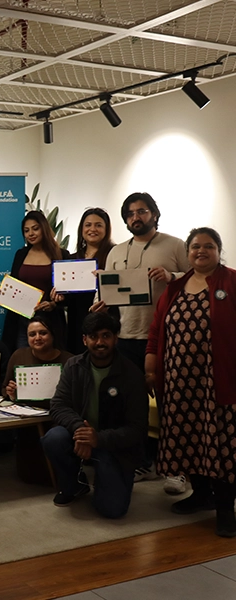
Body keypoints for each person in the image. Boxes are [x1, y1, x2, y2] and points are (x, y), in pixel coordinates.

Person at [93, 193, 188, 488]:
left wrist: (171, 275)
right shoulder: (116, 251)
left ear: (154, 214)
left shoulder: (175, 245)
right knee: (132, 407)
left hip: (166, 338)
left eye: (142, 211)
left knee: (172, 404)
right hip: (126, 337)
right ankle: (143, 462)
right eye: (131, 213)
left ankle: (177, 469)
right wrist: (100, 303)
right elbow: (106, 288)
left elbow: (195, 278)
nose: (136, 217)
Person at [146, 227, 236, 537]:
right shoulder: (176, 287)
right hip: (179, 382)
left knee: (221, 445)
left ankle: (225, 509)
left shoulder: (231, 282)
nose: (201, 251)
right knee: (188, 439)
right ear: (187, 253)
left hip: (218, 381)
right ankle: (201, 495)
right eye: (195, 246)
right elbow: (157, 329)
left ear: (218, 251)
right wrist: (150, 367)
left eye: (209, 246)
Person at [42, 312, 148, 518]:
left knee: (112, 510)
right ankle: (75, 484)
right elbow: (58, 405)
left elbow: (137, 429)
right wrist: (81, 430)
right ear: (85, 339)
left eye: (106, 336)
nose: (100, 342)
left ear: (116, 338)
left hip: (114, 447)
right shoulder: (73, 366)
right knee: (54, 438)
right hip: (80, 436)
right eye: (93, 336)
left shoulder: (132, 375)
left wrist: (98, 439)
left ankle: (106, 477)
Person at [0, 210, 70, 354]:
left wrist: (53, 304)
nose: (31, 234)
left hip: (50, 321)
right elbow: (14, 285)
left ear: (44, 229)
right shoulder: (21, 254)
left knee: (50, 361)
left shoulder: (61, 254)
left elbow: (68, 292)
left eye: (35, 228)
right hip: (22, 321)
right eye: (26, 231)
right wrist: (0, 295)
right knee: (23, 360)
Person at [51, 208, 115, 354]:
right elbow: (68, 298)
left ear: (106, 229)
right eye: (88, 225)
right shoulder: (71, 258)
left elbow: (123, 288)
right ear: (81, 229)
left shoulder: (115, 255)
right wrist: (59, 298)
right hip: (77, 323)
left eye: (98, 225)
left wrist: (108, 279)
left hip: (106, 322)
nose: (93, 229)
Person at [2, 316, 74, 402]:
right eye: (32, 334)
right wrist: (12, 394)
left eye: (43, 333)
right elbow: (4, 389)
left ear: (52, 335)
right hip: (24, 409)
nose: (37, 338)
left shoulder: (70, 361)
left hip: (58, 409)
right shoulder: (18, 355)